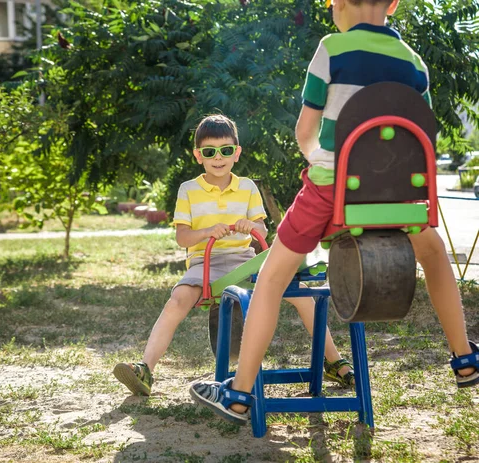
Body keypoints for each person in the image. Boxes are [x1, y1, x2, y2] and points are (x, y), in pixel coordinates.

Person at [189, 0, 479, 425]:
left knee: (271, 278)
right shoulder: (415, 64)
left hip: (329, 193)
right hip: (394, 197)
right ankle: (464, 357)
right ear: (394, 4)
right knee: (434, 255)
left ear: (337, 3)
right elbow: (421, 136)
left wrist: (324, 161)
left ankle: (239, 394)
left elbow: (306, 132)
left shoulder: (332, 49)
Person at [113, 114, 355, 396]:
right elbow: (182, 238)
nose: (218, 157)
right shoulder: (188, 190)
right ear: (198, 156)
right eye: (210, 152)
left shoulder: (247, 188)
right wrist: (207, 232)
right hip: (205, 263)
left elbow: (262, 230)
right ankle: (145, 369)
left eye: (226, 150)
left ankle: (333, 361)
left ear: (236, 153)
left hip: (244, 261)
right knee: (177, 300)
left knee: (302, 296)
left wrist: (251, 226)